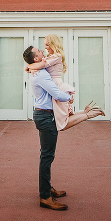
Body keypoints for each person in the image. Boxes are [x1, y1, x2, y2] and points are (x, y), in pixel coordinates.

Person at [23, 44, 72, 210]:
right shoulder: (42, 75)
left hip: (44, 115)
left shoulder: (39, 70)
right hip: (45, 116)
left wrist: (29, 67)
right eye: (39, 51)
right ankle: (45, 196)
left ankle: (47, 188)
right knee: (47, 156)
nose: (43, 51)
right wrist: (69, 97)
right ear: (36, 58)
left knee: (47, 156)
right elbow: (57, 94)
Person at [25, 34, 104, 130]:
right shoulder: (50, 57)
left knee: (62, 122)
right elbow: (37, 66)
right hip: (55, 86)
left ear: (54, 44)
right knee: (62, 118)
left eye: (47, 45)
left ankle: (89, 114)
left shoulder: (56, 57)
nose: (44, 48)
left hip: (57, 86)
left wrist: (29, 67)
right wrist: (30, 68)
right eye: (45, 45)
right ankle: (86, 113)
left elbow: (39, 65)